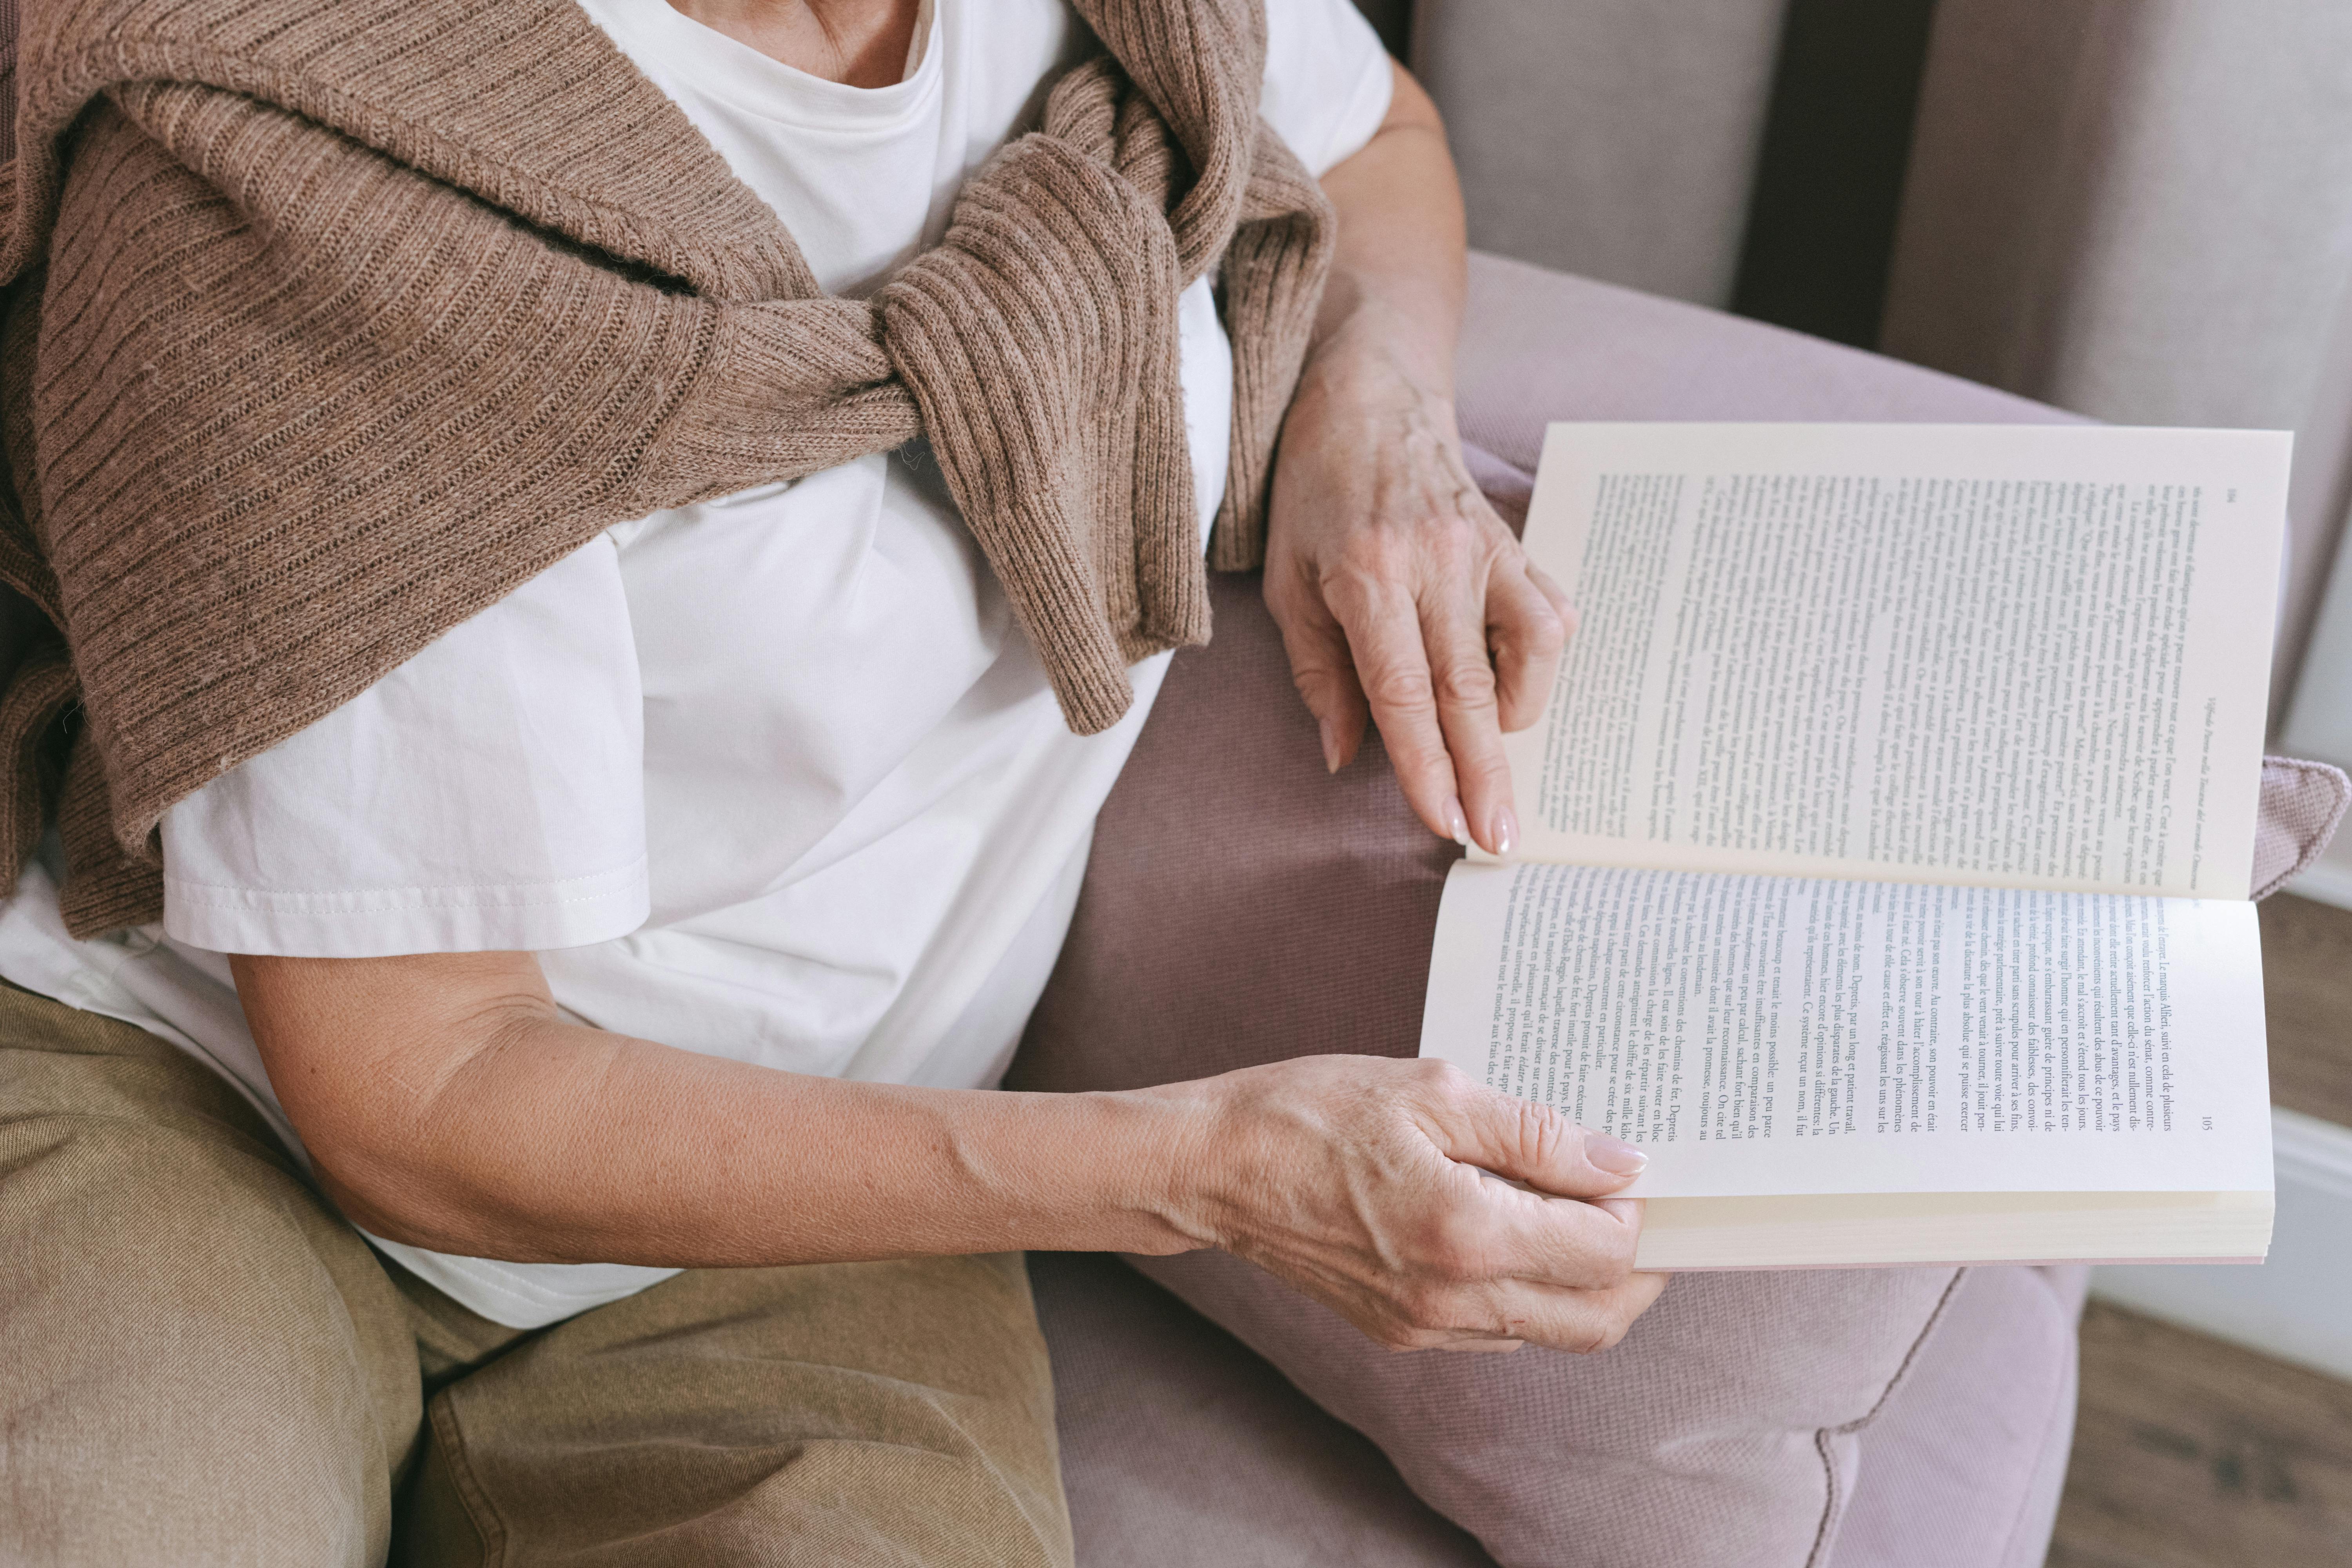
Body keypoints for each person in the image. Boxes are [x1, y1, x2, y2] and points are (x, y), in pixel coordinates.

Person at [0, 0, 1672, 1561]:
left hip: (827, 1169)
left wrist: (1376, 400)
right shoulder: (290, 157)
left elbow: (1376, 131)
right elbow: (420, 1095)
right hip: (208, 1099)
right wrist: (1202, 1168)